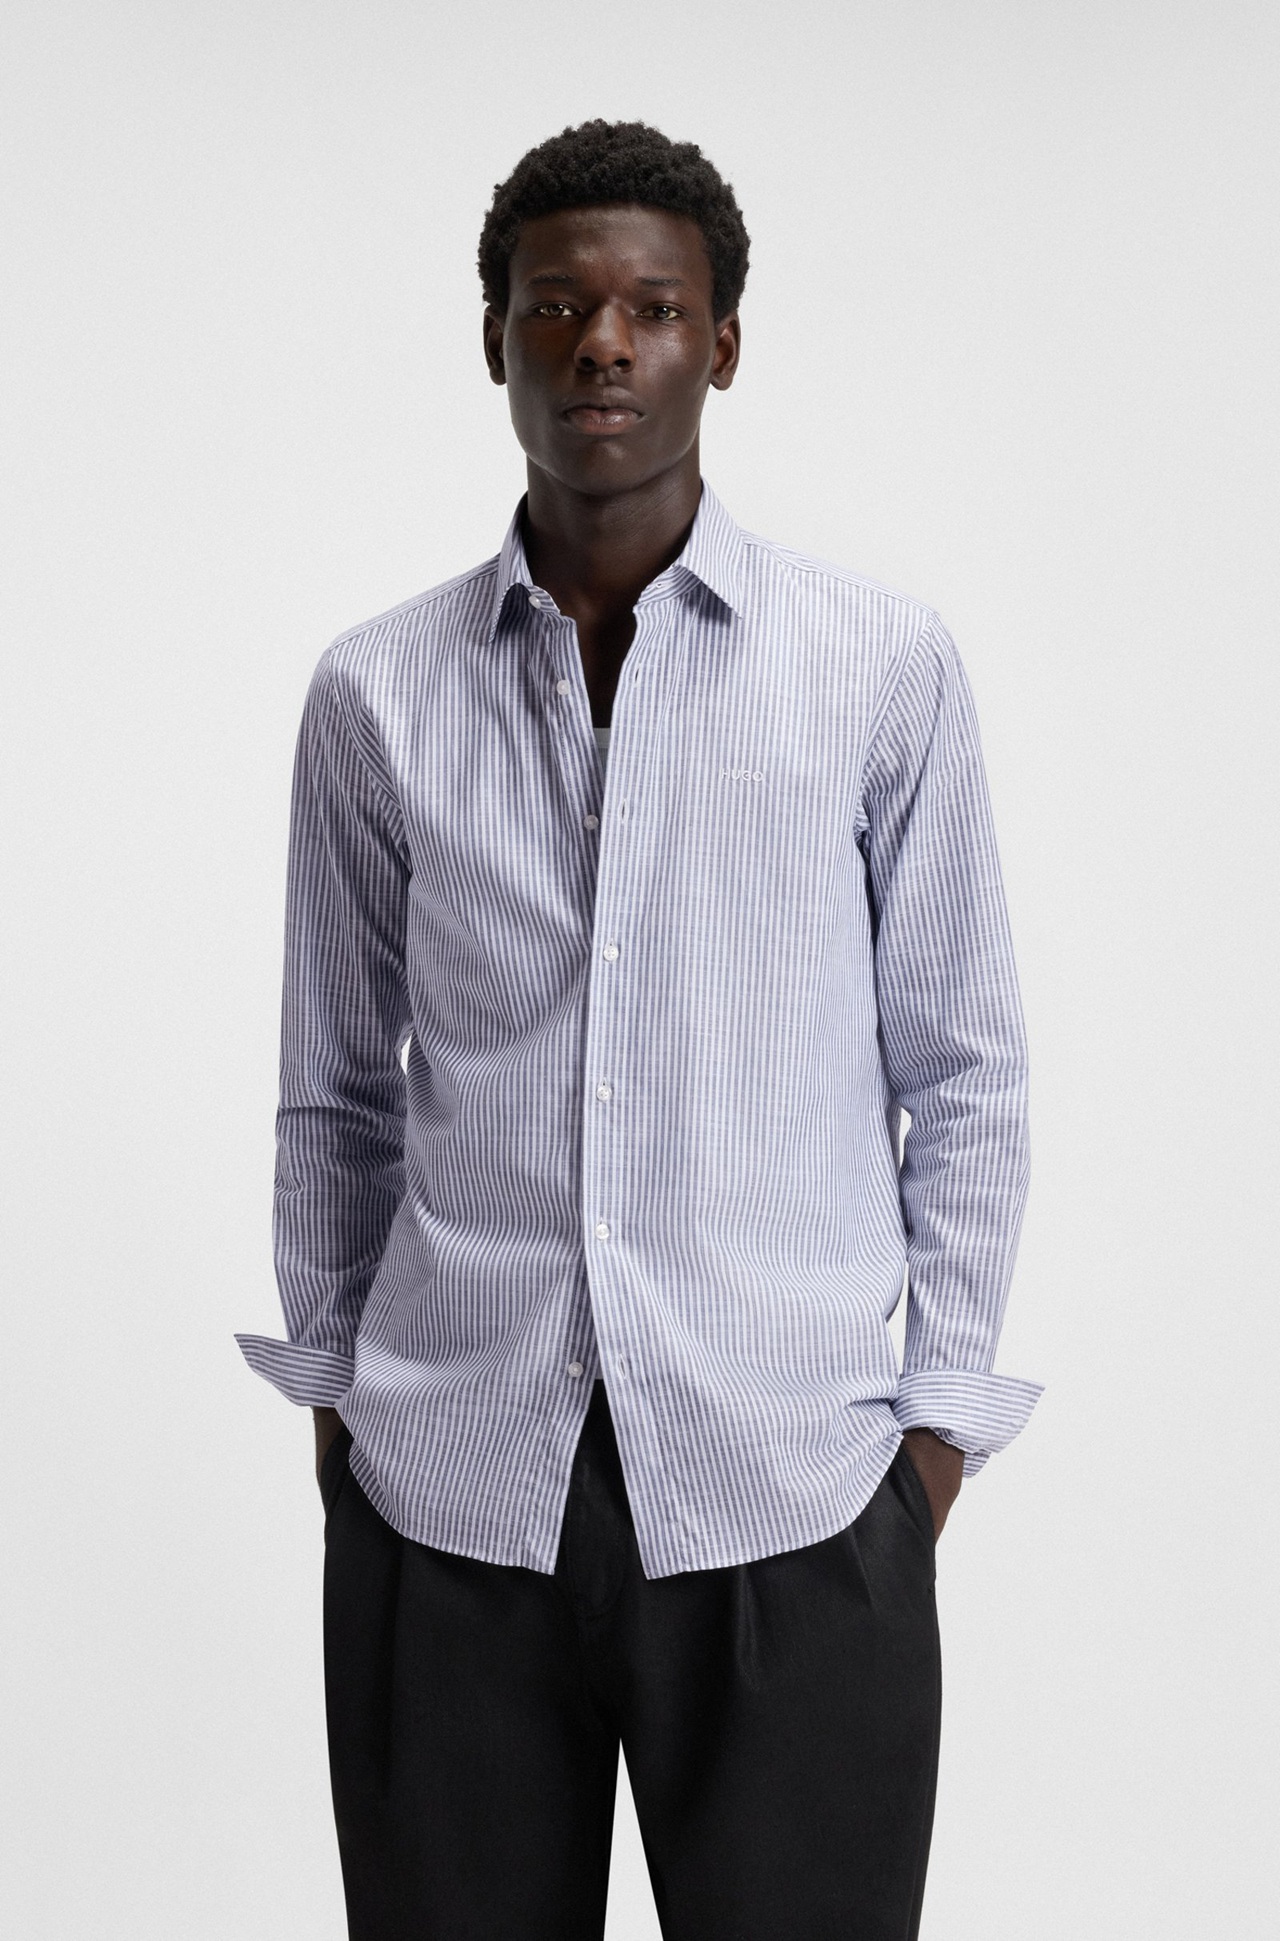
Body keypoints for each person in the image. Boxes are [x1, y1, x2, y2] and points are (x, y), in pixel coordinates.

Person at [236, 117, 1042, 1941]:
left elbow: (968, 1067)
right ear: (497, 340)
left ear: (722, 344)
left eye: (653, 309)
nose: (602, 343)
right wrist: (348, 1403)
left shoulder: (877, 667)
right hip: (449, 1505)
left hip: (796, 1499)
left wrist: (927, 1438)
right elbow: (334, 1088)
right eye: (557, 306)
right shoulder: (375, 695)